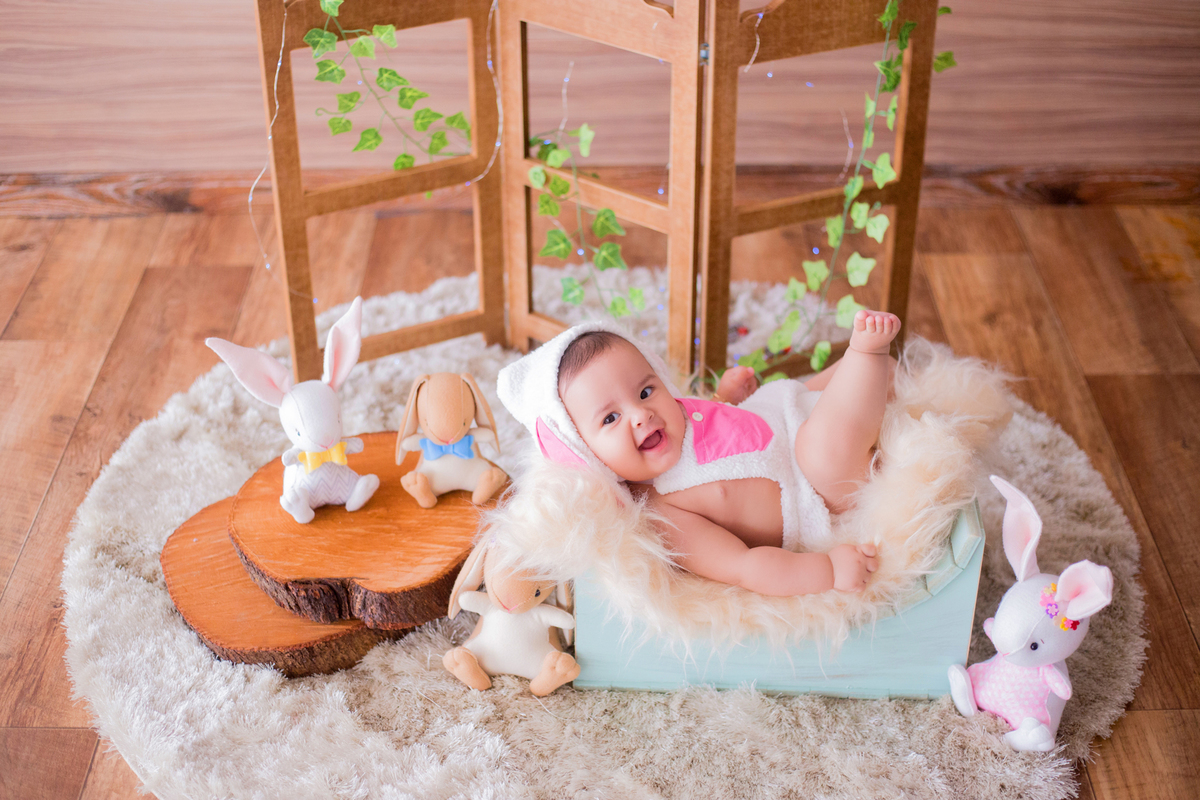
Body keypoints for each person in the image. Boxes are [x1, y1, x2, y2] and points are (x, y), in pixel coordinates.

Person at [497, 310, 901, 597]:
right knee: (825, 447)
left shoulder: (673, 417)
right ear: (584, 453)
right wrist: (828, 569)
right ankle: (867, 357)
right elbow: (744, 566)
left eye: (645, 391)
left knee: (810, 389)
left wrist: (725, 398)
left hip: (786, 414)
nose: (641, 414)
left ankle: (871, 384)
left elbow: (713, 430)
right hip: (814, 488)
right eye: (611, 418)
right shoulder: (661, 513)